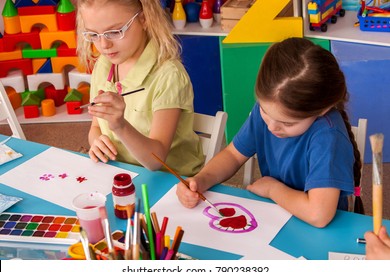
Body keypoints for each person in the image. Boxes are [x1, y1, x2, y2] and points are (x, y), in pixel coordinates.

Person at [176, 37, 361, 228]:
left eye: (287, 123)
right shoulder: (268, 110)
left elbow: (319, 215)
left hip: (319, 231)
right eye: (265, 112)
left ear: (321, 110)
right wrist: (201, 180)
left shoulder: (327, 137)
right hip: (277, 217)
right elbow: (232, 155)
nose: (272, 127)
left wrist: (273, 189)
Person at [76, 0, 204, 176]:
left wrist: (119, 125)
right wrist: (97, 141)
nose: (104, 45)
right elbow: (96, 127)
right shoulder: (103, 66)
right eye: (93, 34)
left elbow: (155, 161)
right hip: (123, 173)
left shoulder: (169, 76)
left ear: (144, 19)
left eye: (115, 32)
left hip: (174, 182)